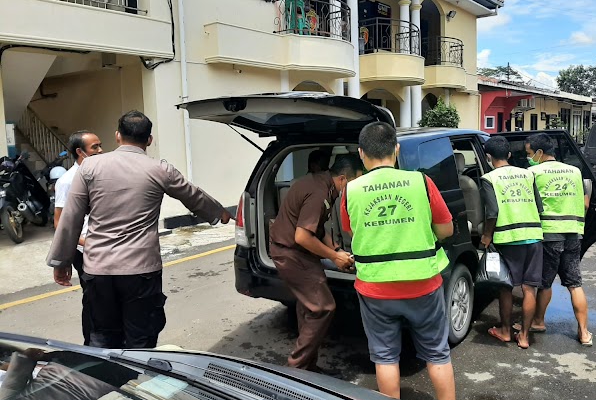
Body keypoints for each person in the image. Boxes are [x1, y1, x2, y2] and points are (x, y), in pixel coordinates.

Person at [46, 110, 233, 349]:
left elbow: (70, 219)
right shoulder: (160, 169)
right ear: (149, 140)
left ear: (117, 136)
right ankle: (139, 384)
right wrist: (220, 213)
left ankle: (107, 383)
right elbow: (194, 196)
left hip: (99, 271)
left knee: (102, 337)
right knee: (141, 339)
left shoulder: (89, 168)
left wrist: (61, 262)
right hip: (141, 272)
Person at [341, 122, 456, 400]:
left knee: (385, 358)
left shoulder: (350, 191)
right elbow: (446, 229)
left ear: (361, 154)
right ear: (396, 149)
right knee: (437, 355)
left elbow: (352, 232)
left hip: (375, 289)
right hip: (423, 285)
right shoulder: (421, 182)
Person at [269, 154, 361, 373]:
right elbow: (302, 236)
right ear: (343, 179)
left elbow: (317, 230)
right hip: (291, 253)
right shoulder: (320, 192)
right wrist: (333, 256)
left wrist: (337, 250)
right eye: (356, 182)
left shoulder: (322, 183)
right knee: (322, 307)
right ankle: (296, 370)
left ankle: (307, 368)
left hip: (299, 252)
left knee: (308, 308)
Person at [523, 133, 593, 346]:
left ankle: (538, 321)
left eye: (529, 153)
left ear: (539, 152)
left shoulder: (532, 172)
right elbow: (586, 203)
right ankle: (584, 333)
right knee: (575, 283)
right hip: (573, 232)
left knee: (545, 283)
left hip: (548, 234)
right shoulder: (574, 171)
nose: (528, 157)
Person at [480, 136, 544, 349]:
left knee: (506, 288)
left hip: (508, 239)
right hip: (534, 236)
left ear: (488, 157)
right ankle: (524, 337)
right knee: (529, 288)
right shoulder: (528, 174)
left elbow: (492, 212)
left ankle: (506, 331)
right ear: (509, 155)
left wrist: (487, 236)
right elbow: (539, 206)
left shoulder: (489, 178)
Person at [53, 130, 103, 346]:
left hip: (104, 247)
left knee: (107, 299)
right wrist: (85, 243)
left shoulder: (100, 173)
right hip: (85, 250)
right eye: (95, 147)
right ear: (80, 152)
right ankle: (91, 346)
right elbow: (59, 223)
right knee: (93, 300)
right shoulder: (67, 181)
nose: (101, 150)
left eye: (100, 145)